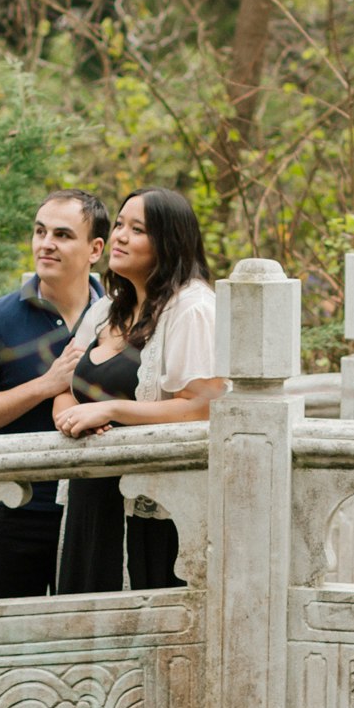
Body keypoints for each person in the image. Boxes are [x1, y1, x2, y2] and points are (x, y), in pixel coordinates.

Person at [53, 188, 223, 592]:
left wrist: (111, 411)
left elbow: (205, 406)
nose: (120, 237)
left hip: (148, 508)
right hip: (89, 493)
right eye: (119, 225)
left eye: (138, 229)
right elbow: (65, 385)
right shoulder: (106, 308)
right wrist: (69, 417)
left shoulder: (193, 309)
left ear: (170, 241)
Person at [0, 189, 111, 599]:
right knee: (9, 640)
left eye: (62, 234)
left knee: (86, 638)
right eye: (40, 232)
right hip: (13, 509)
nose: (46, 244)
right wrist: (47, 384)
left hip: (95, 509)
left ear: (95, 249)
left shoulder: (118, 317)